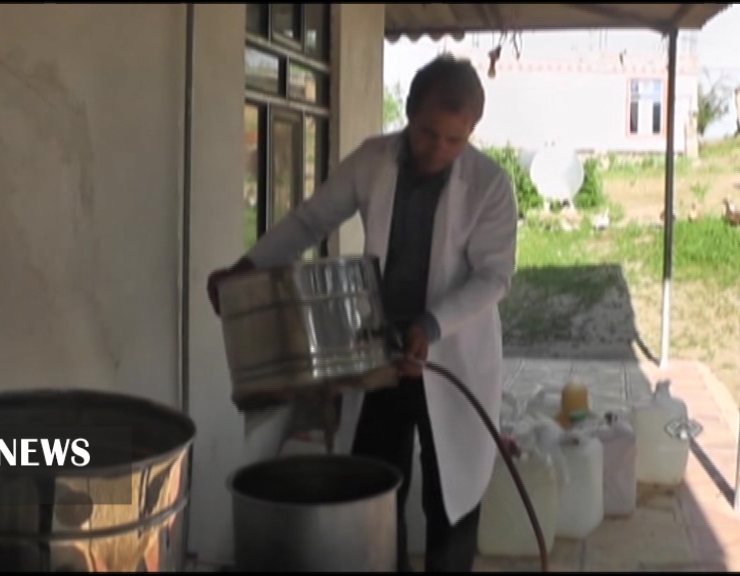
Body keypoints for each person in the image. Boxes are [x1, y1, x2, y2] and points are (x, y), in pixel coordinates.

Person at [207, 54, 518, 573]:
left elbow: (494, 277)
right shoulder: (373, 161)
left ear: (471, 132)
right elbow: (311, 220)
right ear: (410, 113)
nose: (438, 149)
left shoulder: (489, 185)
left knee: (451, 497)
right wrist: (247, 267)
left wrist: (431, 325)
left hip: (452, 356)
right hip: (381, 351)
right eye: (428, 133)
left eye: (454, 139)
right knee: (377, 485)